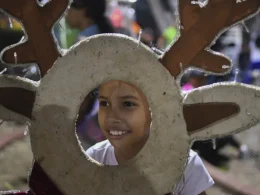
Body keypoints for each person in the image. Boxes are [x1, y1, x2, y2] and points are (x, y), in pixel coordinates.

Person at [87, 80, 214, 195]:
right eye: (104, 103)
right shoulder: (95, 158)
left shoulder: (185, 164)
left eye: (127, 104)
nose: (111, 117)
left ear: (155, 108)